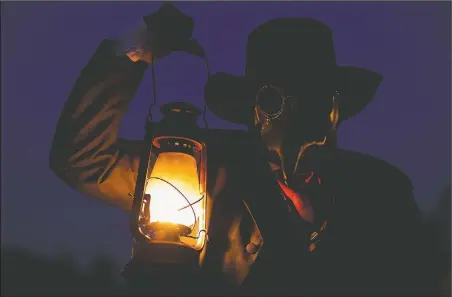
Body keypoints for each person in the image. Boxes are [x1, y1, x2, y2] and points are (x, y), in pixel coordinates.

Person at [49, 9, 428, 295]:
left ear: (334, 108)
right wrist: (136, 47)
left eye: (312, 100)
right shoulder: (200, 169)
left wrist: (315, 236)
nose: (295, 123)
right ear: (254, 110)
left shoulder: (381, 194)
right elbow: (84, 160)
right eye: (276, 101)